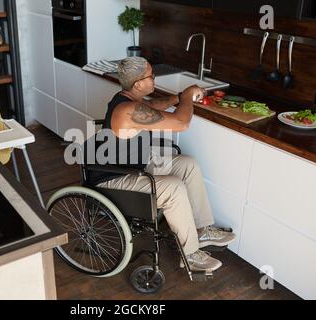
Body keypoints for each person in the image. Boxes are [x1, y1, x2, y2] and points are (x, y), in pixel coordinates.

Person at [86, 57, 235, 272]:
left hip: (133, 165)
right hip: (113, 178)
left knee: (187, 164)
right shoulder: (127, 110)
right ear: (137, 84)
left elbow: (154, 105)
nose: (154, 78)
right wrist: (188, 98)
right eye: (151, 76)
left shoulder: (128, 98)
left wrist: (179, 97)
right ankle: (190, 254)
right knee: (174, 188)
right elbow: (182, 123)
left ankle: (201, 230)